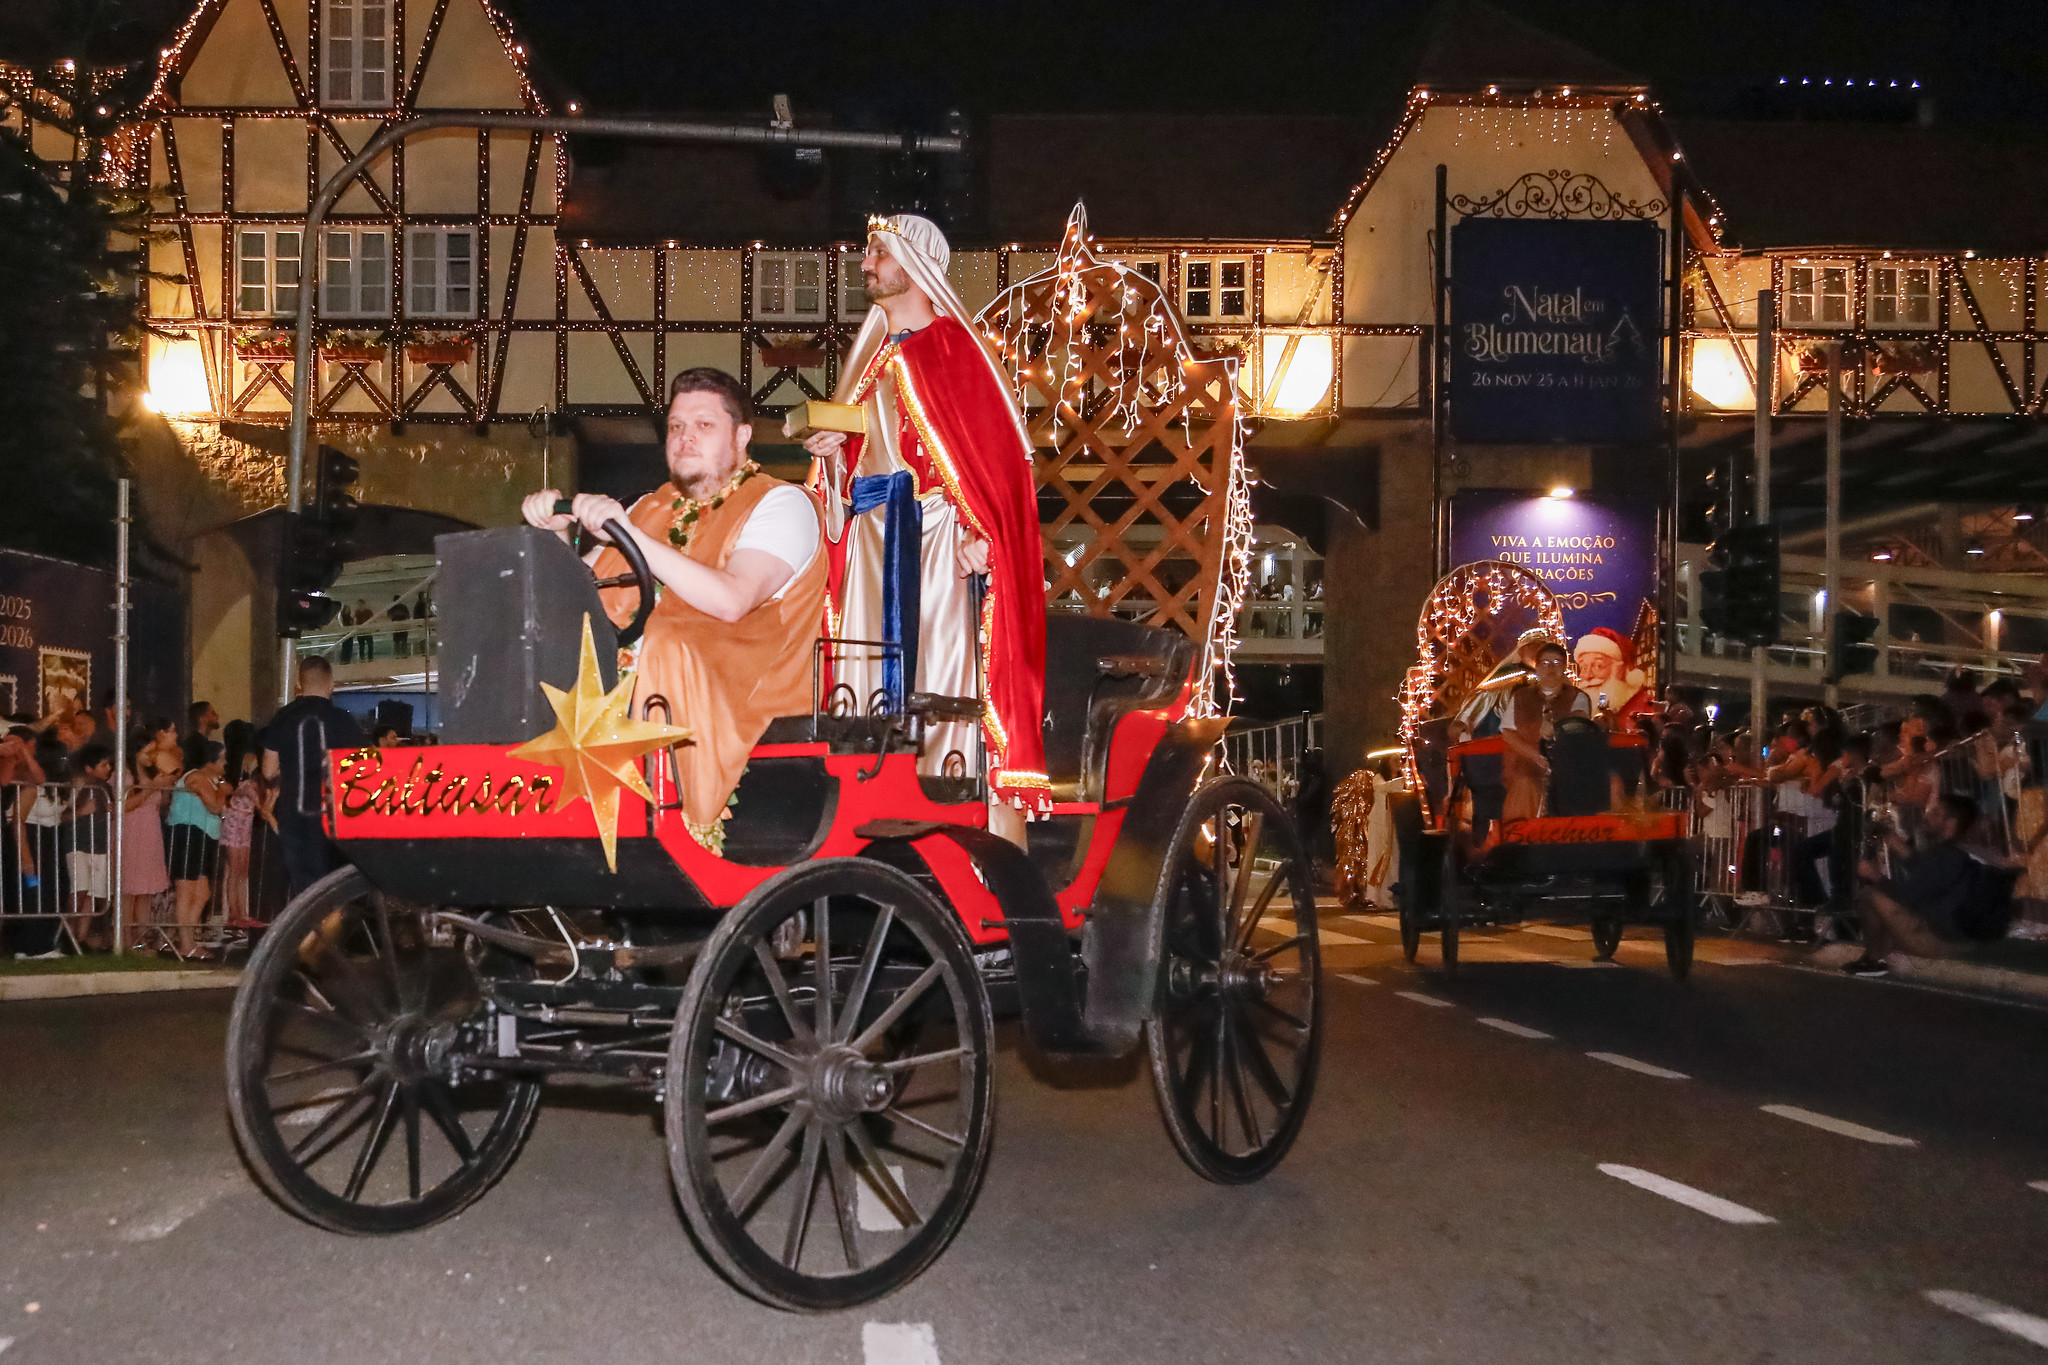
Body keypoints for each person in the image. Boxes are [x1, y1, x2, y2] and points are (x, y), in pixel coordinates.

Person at [802, 212, 1050, 840]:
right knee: (862, 689)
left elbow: (994, 472)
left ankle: (963, 836)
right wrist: (832, 455)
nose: (865, 266)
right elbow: (860, 467)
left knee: (943, 691)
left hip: (937, 544)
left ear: (912, 263)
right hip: (871, 546)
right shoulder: (872, 364)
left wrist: (982, 535)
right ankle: (867, 818)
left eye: (877, 254)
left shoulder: (957, 352)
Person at [522, 368, 826, 853]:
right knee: (549, 649)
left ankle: (680, 818)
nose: (685, 439)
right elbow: (580, 601)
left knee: (667, 640)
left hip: (743, 698)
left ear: (742, 435)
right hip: (633, 689)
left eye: (704, 426)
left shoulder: (781, 503)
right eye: (677, 426)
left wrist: (632, 536)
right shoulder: (648, 506)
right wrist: (556, 533)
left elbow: (731, 600)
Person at [1845, 792, 2013, 975]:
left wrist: (1875, 876)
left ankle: (1872, 960)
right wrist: (1894, 841)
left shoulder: (1947, 856)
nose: (1927, 816)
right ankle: (1881, 953)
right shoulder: (1959, 851)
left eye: (1936, 814)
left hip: (1944, 943)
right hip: (1965, 939)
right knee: (1888, 903)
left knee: (1869, 895)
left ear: (1950, 824)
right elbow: (1925, 869)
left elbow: (1906, 897)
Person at [262, 656, 365, 895]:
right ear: (331, 684)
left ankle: (310, 931)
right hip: (336, 817)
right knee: (336, 890)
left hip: (294, 816)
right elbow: (364, 768)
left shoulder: (282, 717)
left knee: (305, 893)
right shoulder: (345, 721)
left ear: (300, 684)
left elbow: (268, 771)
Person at [1499, 642, 1592, 823]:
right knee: (1524, 787)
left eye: (1557, 663)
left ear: (1564, 668)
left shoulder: (1578, 697)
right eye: (1545, 663)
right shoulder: (1520, 697)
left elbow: (1580, 724)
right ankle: (1521, 843)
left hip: (1567, 769)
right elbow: (1508, 732)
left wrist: (1556, 729)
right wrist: (1534, 756)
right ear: (1537, 667)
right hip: (1526, 768)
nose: (1551, 668)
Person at [167, 739, 228, 957]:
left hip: (203, 837)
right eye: (222, 758)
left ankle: (184, 937)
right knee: (187, 890)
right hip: (187, 835)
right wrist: (222, 789)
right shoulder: (197, 777)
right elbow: (215, 805)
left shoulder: (209, 779)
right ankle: (186, 944)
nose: (226, 762)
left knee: (202, 892)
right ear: (210, 760)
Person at [120, 743, 173, 950]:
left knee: (145, 891)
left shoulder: (153, 775)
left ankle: (140, 937)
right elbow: (124, 805)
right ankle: (123, 937)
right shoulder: (124, 774)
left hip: (151, 834)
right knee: (129, 890)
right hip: (131, 833)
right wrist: (152, 786)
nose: (152, 756)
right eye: (147, 751)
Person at [1455, 627, 1554, 739]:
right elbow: (1482, 695)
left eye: (1543, 648)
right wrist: (1462, 720)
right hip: (1502, 736)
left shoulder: (1554, 677)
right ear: (1521, 653)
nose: (1538, 652)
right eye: (1533, 647)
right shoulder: (1506, 676)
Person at [1573, 627, 1653, 726]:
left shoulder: (1643, 708)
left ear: (1619, 669)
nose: (1588, 676)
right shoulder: (1598, 698)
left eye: (1598, 666)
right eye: (1583, 667)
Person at [183, 700, 220, 772]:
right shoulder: (194, 746)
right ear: (203, 719)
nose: (217, 716)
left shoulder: (193, 742)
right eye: (213, 713)